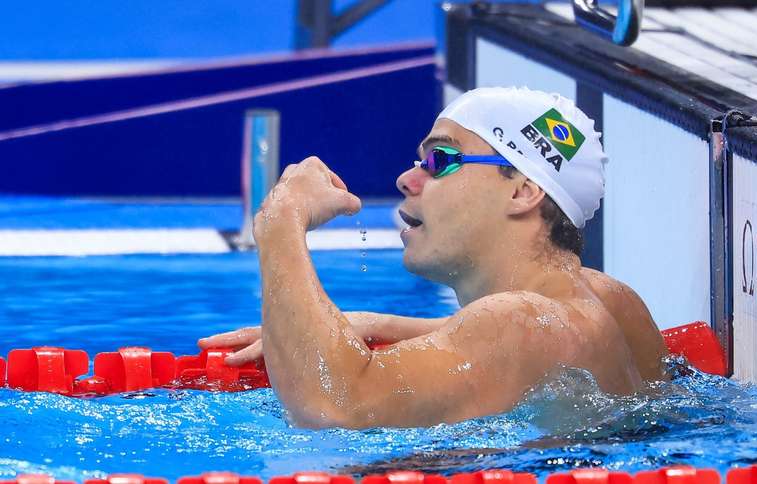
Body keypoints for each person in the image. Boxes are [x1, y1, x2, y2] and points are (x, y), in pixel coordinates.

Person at [198, 87, 667, 429]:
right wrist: (381, 323)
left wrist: (280, 223)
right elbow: (519, 348)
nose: (407, 179)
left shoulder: (518, 321)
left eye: (440, 161)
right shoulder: (611, 301)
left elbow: (335, 409)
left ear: (524, 191)